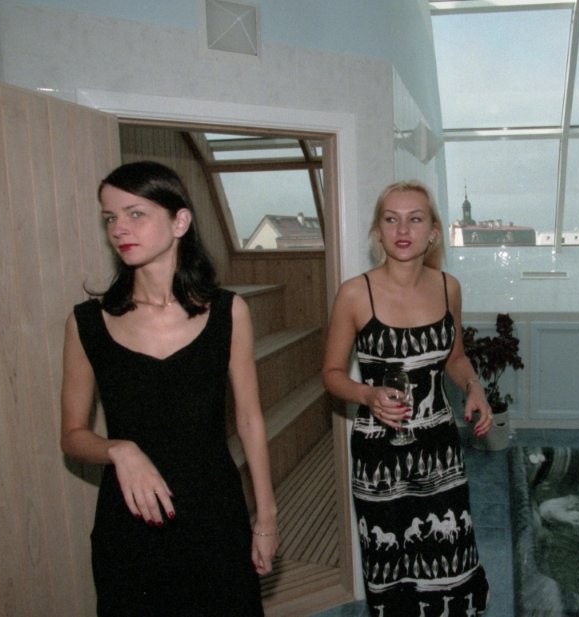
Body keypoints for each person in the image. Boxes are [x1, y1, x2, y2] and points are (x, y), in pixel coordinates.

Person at [60, 161, 277, 616]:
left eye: (135, 213)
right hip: (129, 523)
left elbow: (249, 420)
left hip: (215, 515)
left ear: (180, 222)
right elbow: (73, 436)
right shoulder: (87, 323)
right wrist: (119, 449)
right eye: (110, 217)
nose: (119, 228)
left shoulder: (228, 313)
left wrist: (266, 515)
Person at [322, 180, 492, 616]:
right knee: (391, 566)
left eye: (415, 219)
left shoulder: (448, 287)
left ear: (432, 231)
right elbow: (332, 374)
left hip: (439, 448)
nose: (402, 229)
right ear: (378, 231)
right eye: (391, 219)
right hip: (379, 453)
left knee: (450, 553)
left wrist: (473, 386)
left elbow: (455, 358)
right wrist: (367, 393)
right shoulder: (355, 293)